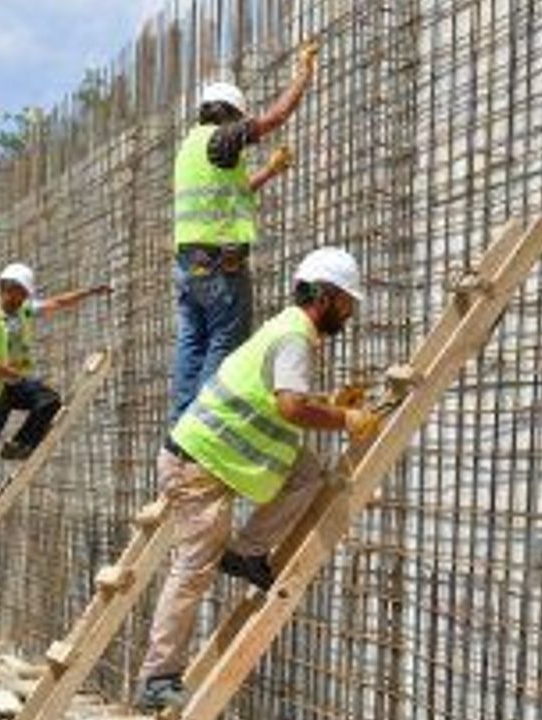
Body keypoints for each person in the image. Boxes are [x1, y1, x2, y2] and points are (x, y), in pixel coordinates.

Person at [135, 247, 380, 712]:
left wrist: (330, 404)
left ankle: (247, 552)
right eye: (347, 302)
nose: (350, 313)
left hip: (213, 458)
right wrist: (345, 419)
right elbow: (290, 408)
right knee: (193, 570)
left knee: (306, 473)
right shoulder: (295, 337)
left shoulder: (286, 328)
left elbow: (277, 398)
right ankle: (158, 676)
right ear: (325, 297)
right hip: (198, 465)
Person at [168, 41, 320, 425]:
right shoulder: (222, 137)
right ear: (230, 114)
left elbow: (231, 193)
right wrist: (303, 73)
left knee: (192, 342)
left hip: (187, 263)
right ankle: (204, 423)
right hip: (219, 263)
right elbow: (276, 117)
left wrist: (269, 170)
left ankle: (182, 423)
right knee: (225, 339)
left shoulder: (190, 148)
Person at [0, 262, 111, 501]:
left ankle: (19, 445)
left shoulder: (23, 310)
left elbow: (57, 303)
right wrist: (16, 376)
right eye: (21, 293)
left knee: (49, 401)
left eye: (25, 294)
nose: (24, 298)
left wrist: (89, 292)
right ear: (7, 288)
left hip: (11, 380)